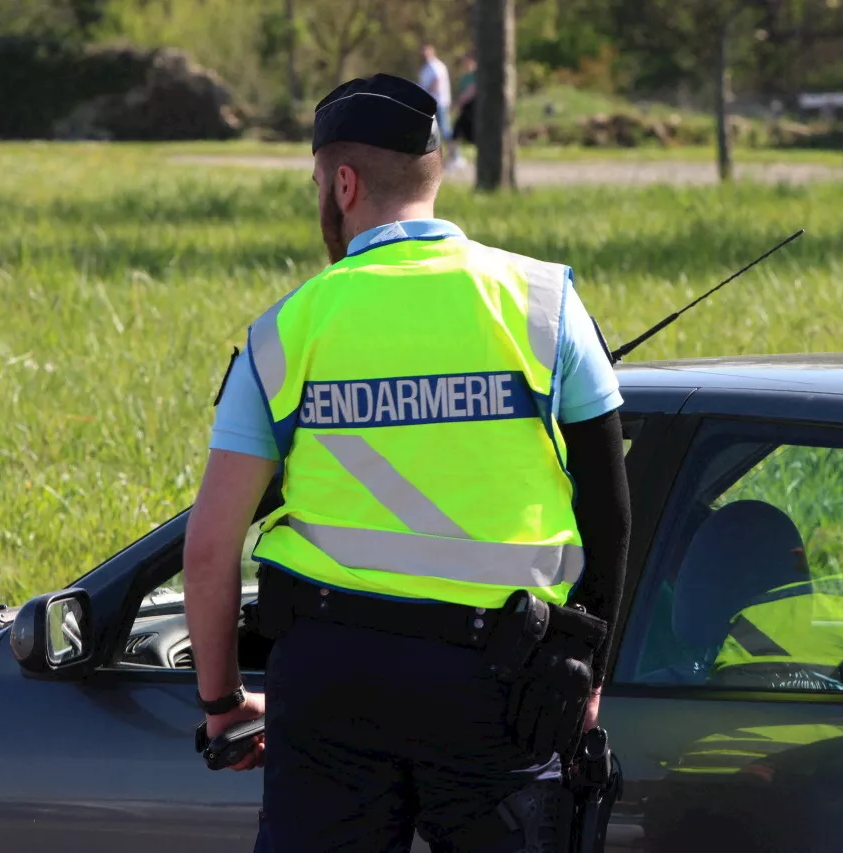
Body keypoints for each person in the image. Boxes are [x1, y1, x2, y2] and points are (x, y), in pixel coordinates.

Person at [183, 72, 631, 853]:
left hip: (333, 685)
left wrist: (223, 703)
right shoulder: (543, 303)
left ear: (344, 184)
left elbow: (211, 545)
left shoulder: (285, 332)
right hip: (504, 683)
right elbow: (611, 510)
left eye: (318, 186)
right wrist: (585, 670)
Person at [417, 44, 461, 168]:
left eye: (426, 52)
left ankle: (456, 156)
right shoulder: (426, 67)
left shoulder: (437, 66)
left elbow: (437, 82)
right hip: (430, 103)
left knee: (445, 130)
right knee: (431, 130)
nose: (424, 55)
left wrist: (425, 92)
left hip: (438, 102)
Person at [452, 52, 478, 147]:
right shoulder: (464, 77)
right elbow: (462, 92)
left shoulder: (477, 75)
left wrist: (459, 102)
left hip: (474, 107)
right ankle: (454, 156)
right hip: (465, 108)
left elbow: (472, 91)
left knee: (473, 134)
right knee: (457, 130)